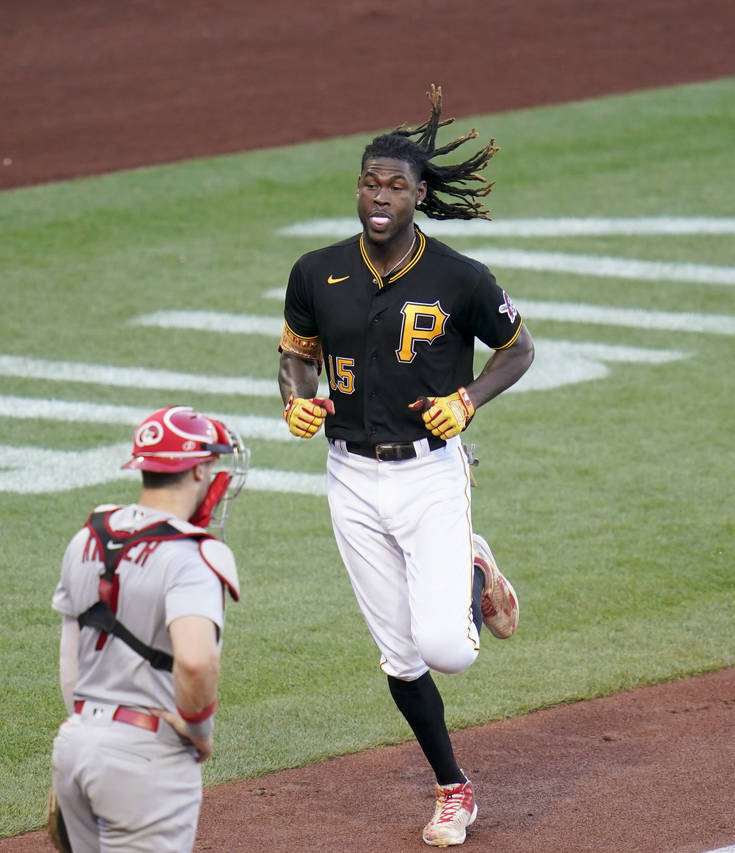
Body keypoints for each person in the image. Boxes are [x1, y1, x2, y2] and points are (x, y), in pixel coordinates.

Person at [277, 84, 534, 847]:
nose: (378, 195)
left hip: (430, 472)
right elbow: (295, 355)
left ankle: (471, 564)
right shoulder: (316, 271)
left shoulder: (459, 276)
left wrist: (471, 399)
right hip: (350, 476)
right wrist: (294, 399)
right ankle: (454, 789)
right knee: (399, 653)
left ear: (421, 194)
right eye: (368, 182)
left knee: (449, 651)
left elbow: (518, 349)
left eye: (394, 184)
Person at [49, 406, 248, 851]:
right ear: (198, 470)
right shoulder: (195, 555)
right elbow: (196, 662)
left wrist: (85, 733)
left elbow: (71, 662)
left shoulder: (88, 537)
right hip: (146, 756)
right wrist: (199, 734)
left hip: (74, 745)